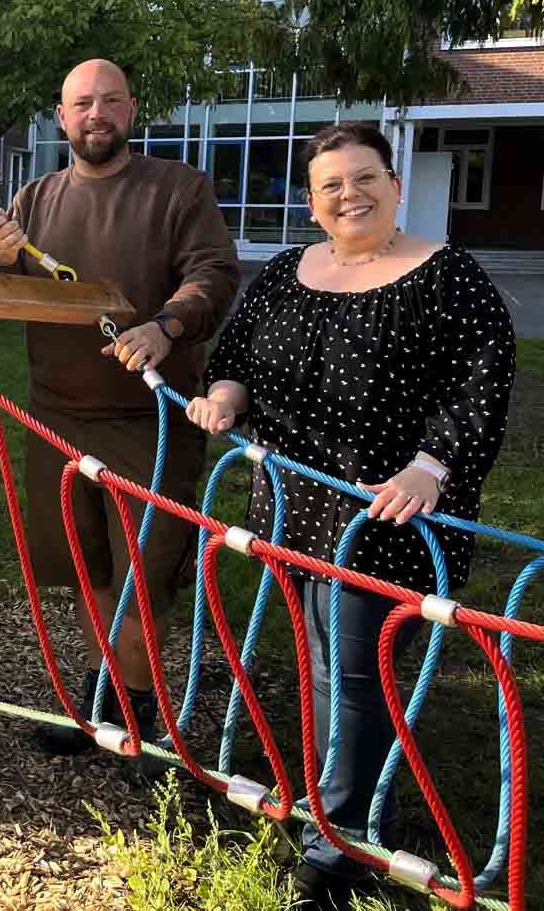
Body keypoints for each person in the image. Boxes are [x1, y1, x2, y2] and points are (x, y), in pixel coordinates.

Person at [186, 122, 515, 909]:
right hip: (296, 509)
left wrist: (429, 467)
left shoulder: (447, 276)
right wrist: (226, 398)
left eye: (365, 178)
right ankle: (368, 813)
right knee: (322, 665)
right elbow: (236, 358)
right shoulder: (286, 271)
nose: (350, 194)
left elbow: (482, 382)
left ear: (395, 185)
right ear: (311, 200)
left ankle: (340, 849)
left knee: (356, 678)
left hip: (387, 516)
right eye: (332, 184)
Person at [0, 58, 240, 760]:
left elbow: (213, 273)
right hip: (56, 418)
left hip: (148, 423)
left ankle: (138, 704)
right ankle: (105, 695)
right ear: (61, 118)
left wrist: (165, 327)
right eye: (81, 103)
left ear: (131, 110)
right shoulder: (33, 199)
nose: (96, 113)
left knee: (143, 573)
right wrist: (0, 260)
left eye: (110, 101)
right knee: (84, 566)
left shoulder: (177, 190)